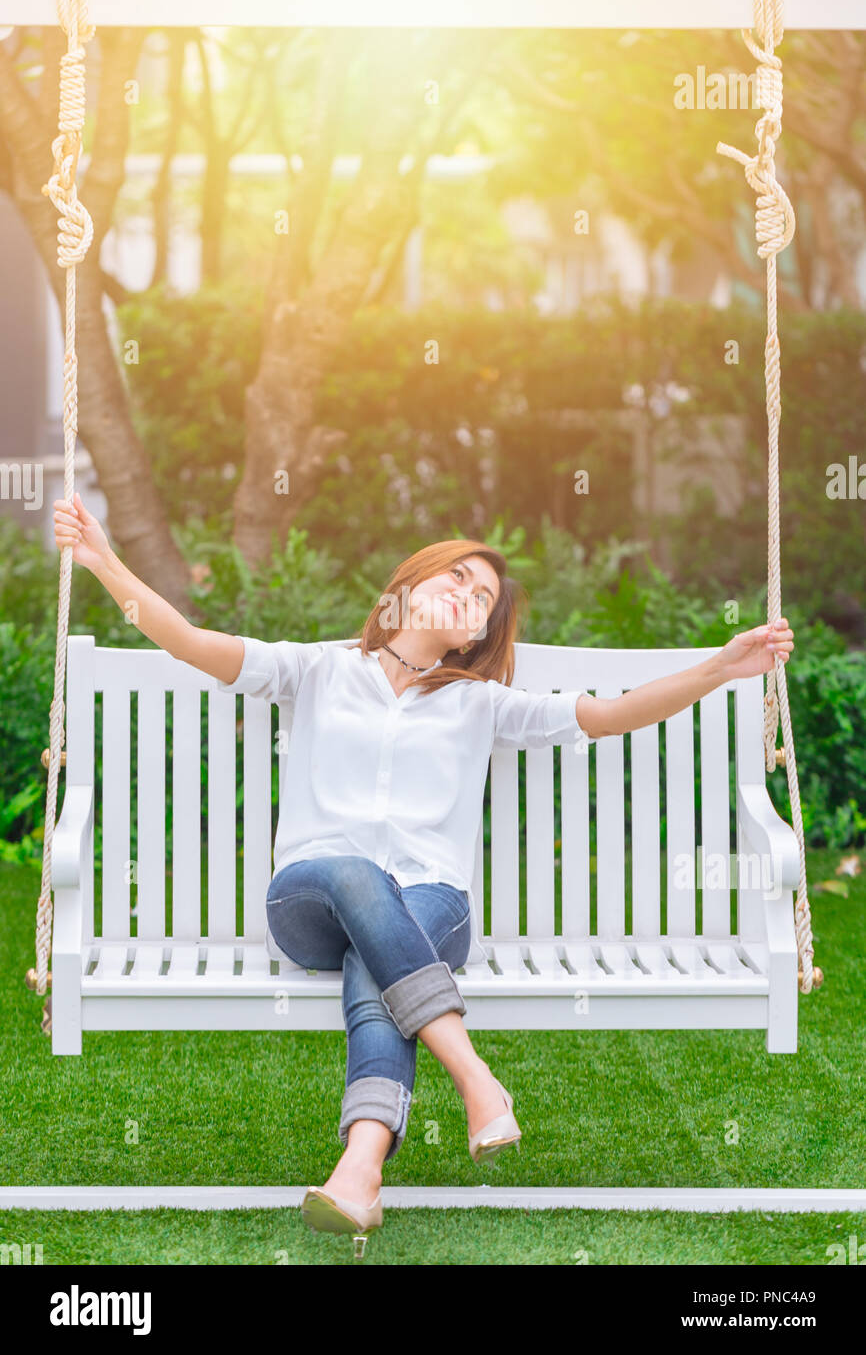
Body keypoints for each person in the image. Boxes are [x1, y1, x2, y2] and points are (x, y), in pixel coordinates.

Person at [53, 492, 794, 1251]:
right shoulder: (317, 670)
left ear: (479, 634)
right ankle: (476, 1078)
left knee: (379, 962)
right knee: (352, 872)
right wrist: (104, 560)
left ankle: (361, 1170)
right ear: (406, 587)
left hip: (434, 905)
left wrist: (721, 668)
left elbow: (610, 715)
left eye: (483, 599)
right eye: (459, 578)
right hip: (310, 897)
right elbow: (183, 639)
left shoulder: (481, 702)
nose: (469, 596)